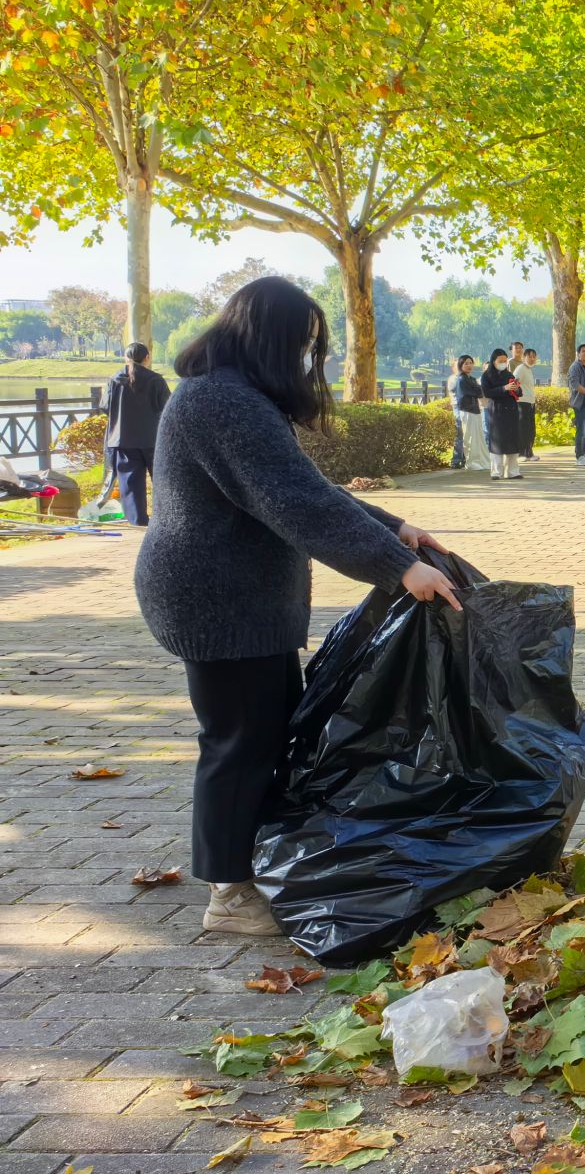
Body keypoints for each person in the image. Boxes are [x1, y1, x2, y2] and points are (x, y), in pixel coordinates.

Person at [133, 276, 462, 936]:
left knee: (265, 729)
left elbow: (304, 486)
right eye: (302, 344)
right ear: (268, 338)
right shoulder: (222, 401)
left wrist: (393, 528)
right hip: (215, 601)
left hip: (238, 598)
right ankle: (228, 894)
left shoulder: (231, 392)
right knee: (239, 740)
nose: (307, 359)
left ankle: (249, 865)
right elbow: (295, 504)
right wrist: (398, 568)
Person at [101, 342, 171, 526]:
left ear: (126, 358)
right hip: (153, 439)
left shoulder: (114, 380)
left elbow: (105, 407)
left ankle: (138, 522)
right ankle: (167, 520)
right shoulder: (156, 380)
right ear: (147, 358)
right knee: (163, 480)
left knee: (130, 484)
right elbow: (168, 408)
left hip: (123, 440)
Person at [479, 349, 523, 480]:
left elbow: (519, 392)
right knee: (497, 442)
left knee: (512, 441)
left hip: (511, 411)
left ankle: (513, 472)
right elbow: (487, 393)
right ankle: (496, 472)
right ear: (494, 361)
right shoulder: (486, 376)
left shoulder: (509, 374)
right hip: (497, 412)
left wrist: (516, 388)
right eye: (500, 361)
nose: (503, 363)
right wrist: (504, 388)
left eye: (505, 360)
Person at [451, 355, 486, 471]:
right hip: (467, 411)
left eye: (471, 363)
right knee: (469, 438)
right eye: (466, 363)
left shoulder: (471, 379)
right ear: (461, 365)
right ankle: (471, 462)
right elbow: (476, 392)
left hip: (475, 410)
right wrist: (478, 390)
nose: (469, 365)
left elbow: (480, 392)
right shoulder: (462, 379)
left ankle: (480, 460)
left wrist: (478, 390)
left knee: (478, 437)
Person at [510, 342, 539, 463]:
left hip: (530, 403)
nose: (532, 359)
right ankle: (520, 453)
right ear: (524, 357)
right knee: (522, 429)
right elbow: (513, 384)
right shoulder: (520, 369)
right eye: (529, 356)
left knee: (530, 430)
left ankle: (529, 452)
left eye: (534, 357)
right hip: (522, 403)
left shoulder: (529, 370)